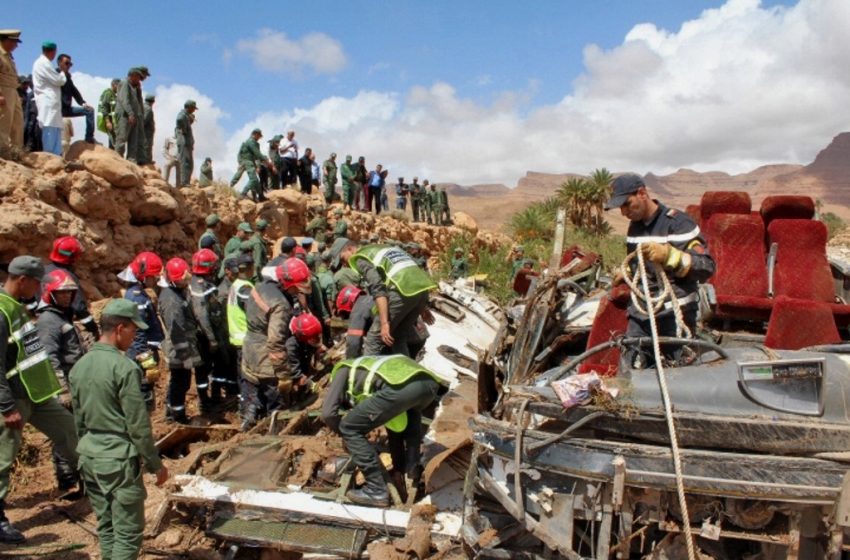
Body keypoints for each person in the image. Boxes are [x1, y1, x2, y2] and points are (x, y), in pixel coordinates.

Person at [70, 299, 169, 560]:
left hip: (89, 456)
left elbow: (78, 419)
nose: (134, 336)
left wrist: (86, 452)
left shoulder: (80, 366)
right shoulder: (124, 368)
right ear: (120, 328)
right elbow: (137, 425)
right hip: (118, 461)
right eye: (134, 331)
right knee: (128, 532)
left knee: (107, 526)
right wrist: (154, 464)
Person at [0, 256, 78, 543]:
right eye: (37, 283)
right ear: (23, 280)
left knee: (70, 430)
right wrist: (6, 406)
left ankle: (96, 482)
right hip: (14, 397)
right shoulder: (1, 310)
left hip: (37, 393)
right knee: (3, 458)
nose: (39, 288)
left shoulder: (15, 305)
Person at [604, 174, 715, 360]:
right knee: (633, 368)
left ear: (642, 193)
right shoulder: (634, 229)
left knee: (676, 372)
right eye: (620, 207)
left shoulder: (679, 223)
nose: (624, 212)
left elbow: (707, 267)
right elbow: (638, 263)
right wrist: (627, 272)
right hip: (640, 314)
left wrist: (670, 256)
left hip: (674, 316)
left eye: (627, 204)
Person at [321, 355, 444, 507]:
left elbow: (327, 413)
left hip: (401, 388)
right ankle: (411, 469)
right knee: (407, 418)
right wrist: (397, 467)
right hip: (428, 387)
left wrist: (346, 435)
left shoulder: (341, 371)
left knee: (349, 427)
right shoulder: (367, 370)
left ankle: (376, 489)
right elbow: (395, 428)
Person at [331, 238, 436, 357]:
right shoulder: (379, 248)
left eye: (343, 259)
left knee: (373, 339)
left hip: (401, 292)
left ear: (350, 249)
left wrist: (385, 323)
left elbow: (378, 289)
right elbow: (409, 271)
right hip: (421, 290)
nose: (344, 264)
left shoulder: (361, 258)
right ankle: (404, 371)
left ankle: (368, 374)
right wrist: (422, 306)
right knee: (398, 336)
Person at [241, 258, 310, 429]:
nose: (298, 291)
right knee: (276, 400)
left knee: (253, 392)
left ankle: (247, 423)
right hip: (265, 353)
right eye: (297, 287)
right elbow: (275, 341)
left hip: (249, 346)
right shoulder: (281, 304)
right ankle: (274, 435)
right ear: (288, 283)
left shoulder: (259, 286)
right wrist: (283, 374)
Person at [35, 269, 84, 493]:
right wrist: (61, 390)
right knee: (65, 432)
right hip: (64, 382)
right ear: (50, 293)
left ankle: (78, 475)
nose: (66, 296)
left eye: (69, 293)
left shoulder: (62, 316)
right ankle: (67, 480)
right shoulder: (48, 320)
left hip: (74, 379)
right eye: (62, 293)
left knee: (76, 429)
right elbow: (48, 357)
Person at [158, 258, 206, 423]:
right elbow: (176, 329)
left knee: (180, 381)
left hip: (183, 346)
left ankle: (173, 411)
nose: (186, 282)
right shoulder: (171, 300)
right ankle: (176, 416)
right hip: (178, 349)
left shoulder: (177, 292)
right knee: (180, 382)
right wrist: (185, 355)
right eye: (182, 279)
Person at [119, 252, 165, 410]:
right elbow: (137, 334)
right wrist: (148, 362)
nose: (155, 280)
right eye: (153, 276)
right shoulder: (136, 297)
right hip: (141, 353)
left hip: (143, 350)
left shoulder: (138, 293)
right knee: (143, 390)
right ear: (143, 276)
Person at [190, 249, 234, 404]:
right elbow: (202, 315)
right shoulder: (201, 287)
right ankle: (206, 399)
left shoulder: (195, 283)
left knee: (212, 366)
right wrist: (212, 339)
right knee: (207, 366)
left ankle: (213, 395)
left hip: (207, 334)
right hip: (206, 336)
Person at [44, 236, 99, 338]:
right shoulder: (67, 277)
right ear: (73, 257)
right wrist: (94, 329)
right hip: (60, 325)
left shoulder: (43, 270)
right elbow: (79, 308)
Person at [226, 255, 255, 430]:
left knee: (243, 378)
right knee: (249, 379)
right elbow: (253, 313)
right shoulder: (245, 288)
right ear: (250, 268)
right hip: (246, 339)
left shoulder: (235, 285)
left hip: (238, 339)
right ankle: (248, 416)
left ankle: (244, 410)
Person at [31, 41, 66, 156]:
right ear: (53, 52)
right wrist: (62, 72)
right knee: (49, 127)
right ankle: (49, 155)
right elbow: (59, 80)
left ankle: (56, 156)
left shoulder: (45, 63)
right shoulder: (43, 63)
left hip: (52, 102)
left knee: (55, 128)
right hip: (47, 101)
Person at [57, 53, 94, 145]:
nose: (69, 66)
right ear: (59, 63)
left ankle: (89, 138)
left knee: (89, 111)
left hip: (66, 108)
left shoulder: (67, 77)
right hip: (56, 109)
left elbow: (74, 91)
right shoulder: (54, 75)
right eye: (66, 63)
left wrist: (82, 103)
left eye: (70, 64)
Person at [230, 128, 271, 201]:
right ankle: (243, 193)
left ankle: (261, 196)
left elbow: (255, 156)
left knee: (255, 180)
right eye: (259, 136)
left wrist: (257, 164)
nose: (259, 138)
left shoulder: (252, 142)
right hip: (247, 162)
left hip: (249, 162)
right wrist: (266, 159)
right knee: (253, 179)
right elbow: (257, 154)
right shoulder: (251, 142)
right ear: (255, 134)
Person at [0, 30, 24, 151]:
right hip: (4, 90)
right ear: (6, 40)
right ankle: (2, 150)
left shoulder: (9, 57)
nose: (16, 45)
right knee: (4, 121)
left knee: (17, 122)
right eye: (14, 42)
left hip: (13, 91)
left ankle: (16, 151)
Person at [114, 68, 144, 162]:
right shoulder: (124, 83)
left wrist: (139, 90)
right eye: (138, 78)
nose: (139, 80)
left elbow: (139, 103)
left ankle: (131, 161)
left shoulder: (134, 87)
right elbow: (124, 100)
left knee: (133, 142)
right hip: (125, 116)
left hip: (133, 117)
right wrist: (130, 113)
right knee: (122, 139)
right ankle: (118, 160)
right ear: (133, 76)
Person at [176, 99, 197, 187]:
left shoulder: (186, 115)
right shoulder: (183, 114)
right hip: (184, 143)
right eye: (193, 108)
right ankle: (183, 182)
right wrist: (184, 128)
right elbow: (179, 119)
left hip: (187, 144)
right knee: (184, 162)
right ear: (189, 107)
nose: (194, 110)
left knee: (189, 163)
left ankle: (186, 181)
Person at [97, 78, 120, 149]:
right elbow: (104, 107)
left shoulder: (114, 95)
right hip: (109, 120)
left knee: (114, 139)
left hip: (114, 121)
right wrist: (107, 122)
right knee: (113, 141)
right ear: (114, 85)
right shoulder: (108, 93)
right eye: (119, 86)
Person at [141, 93, 155, 164]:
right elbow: (144, 120)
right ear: (153, 102)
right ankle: (146, 162)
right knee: (147, 146)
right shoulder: (148, 109)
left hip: (143, 131)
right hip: (147, 132)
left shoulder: (142, 106)